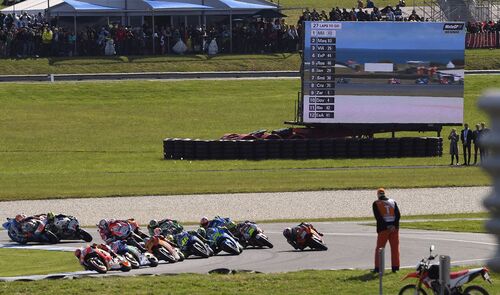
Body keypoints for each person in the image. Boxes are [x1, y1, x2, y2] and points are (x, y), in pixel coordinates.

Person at [373, 188, 400, 273]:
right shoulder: (393, 201)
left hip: (383, 229)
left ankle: (378, 268)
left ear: (378, 195)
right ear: (384, 194)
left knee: (380, 249)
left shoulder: (376, 203)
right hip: (394, 229)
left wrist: (387, 226)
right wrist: (393, 225)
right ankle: (395, 267)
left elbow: (378, 217)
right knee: (395, 248)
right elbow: (398, 215)